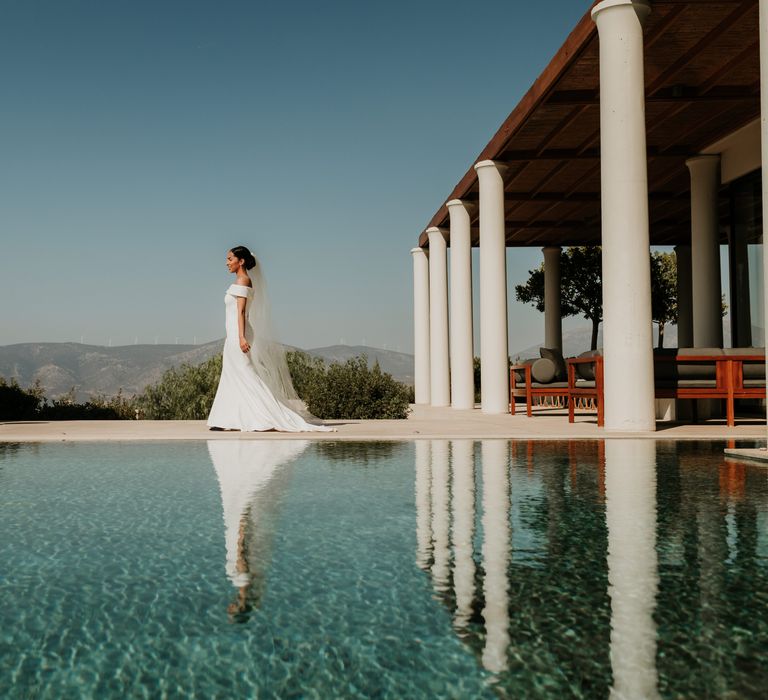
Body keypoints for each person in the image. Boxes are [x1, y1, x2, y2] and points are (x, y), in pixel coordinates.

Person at [207, 245, 335, 432]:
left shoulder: (243, 281)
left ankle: (267, 415)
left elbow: (242, 312)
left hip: (239, 334)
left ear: (241, 261)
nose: (226, 263)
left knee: (245, 372)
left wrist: (241, 337)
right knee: (232, 373)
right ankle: (227, 419)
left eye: (229, 259)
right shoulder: (238, 282)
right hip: (234, 334)